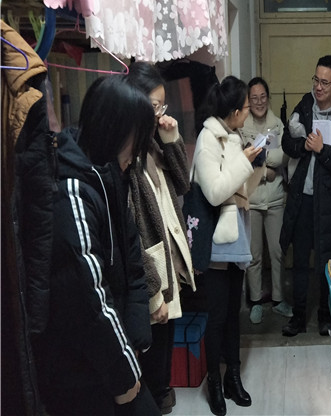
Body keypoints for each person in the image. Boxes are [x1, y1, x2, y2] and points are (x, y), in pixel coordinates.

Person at [32, 75, 160, 415]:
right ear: (115, 130)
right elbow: (88, 297)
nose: (138, 150)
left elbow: (132, 258)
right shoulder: (72, 191)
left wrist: (136, 340)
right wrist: (124, 373)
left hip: (113, 353)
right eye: (137, 138)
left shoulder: (111, 176)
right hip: (81, 369)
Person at [126, 62, 197, 414]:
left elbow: (183, 183)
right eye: (155, 106)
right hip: (150, 279)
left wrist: (172, 138)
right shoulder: (125, 156)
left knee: (162, 372)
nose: (160, 114)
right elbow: (131, 234)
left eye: (162, 106)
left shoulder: (152, 144)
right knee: (152, 375)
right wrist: (153, 292)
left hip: (167, 270)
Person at [192, 76, 262, 416]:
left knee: (234, 314)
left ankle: (233, 377)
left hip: (237, 236)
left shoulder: (233, 137)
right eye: (246, 108)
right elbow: (216, 191)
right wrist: (245, 162)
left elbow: (240, 188)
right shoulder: (208, 138)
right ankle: (215, 383)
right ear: (234, 112)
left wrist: (255, 164)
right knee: (217, 316)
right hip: (217, 242)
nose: (248, 113)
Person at [279, 55, 331, 337]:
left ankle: (325, 317)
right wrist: (305, 145)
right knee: (300, 262)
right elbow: (287, 142)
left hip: (328, 205)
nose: (318, 87)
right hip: (302, 199)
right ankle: (298, 318)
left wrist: (322, 150)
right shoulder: (304, 106)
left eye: (324, 82)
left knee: (327, 265)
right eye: (316, 80)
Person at [239, 77, 293, 324]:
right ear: (248, 101)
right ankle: (256, 301)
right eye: (254, 98)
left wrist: (259, 157)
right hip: (251, 200)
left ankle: (279, 300)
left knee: (278, 252)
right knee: (254, 256)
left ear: (268, 98)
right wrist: (264, 172)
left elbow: (283, 157)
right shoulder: (243, 125)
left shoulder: (277, 124)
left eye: (262, 97)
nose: (259, 102)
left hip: (275, 199)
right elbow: (242, 160)